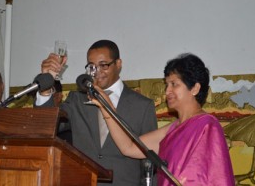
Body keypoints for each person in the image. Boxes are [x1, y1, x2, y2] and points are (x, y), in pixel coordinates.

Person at [93, 53, 235, 186]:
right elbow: (128, 148)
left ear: (195, 88)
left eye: (174, 84)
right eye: (167, 84)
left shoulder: (207, 126)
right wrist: (106, 106)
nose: (167, 91)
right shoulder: (173, 129)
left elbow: (208, 178)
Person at [35, 40, 158, 186]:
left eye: (103, 65)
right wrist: (45, 86)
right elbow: (46, 127)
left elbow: (150, 162)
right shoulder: (77, 100)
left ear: (118, 64)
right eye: (91, 66)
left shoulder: (142, 105)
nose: (97, 72)